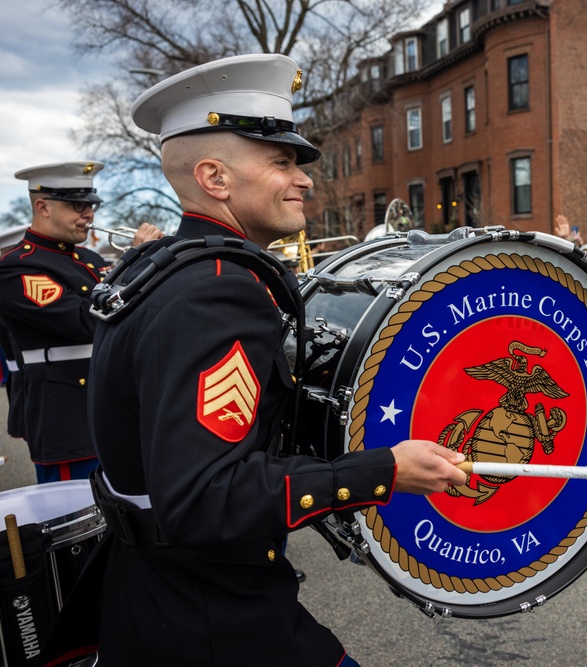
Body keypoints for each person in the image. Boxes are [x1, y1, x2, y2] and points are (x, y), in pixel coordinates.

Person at [72, 54, 468, 666]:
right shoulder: (214, 291)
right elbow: (207, 496)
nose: (304, 179)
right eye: (281, 162)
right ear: (215, 178)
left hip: (157, 598)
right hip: (211, 620)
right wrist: (382, 470)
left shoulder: (157, 269)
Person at [0, 161, 161, 483]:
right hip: (68, 419)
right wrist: (134, 265)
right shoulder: (16, 266)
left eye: (91, 205)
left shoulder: (92, 260)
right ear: (43, 206)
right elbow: (85, 321)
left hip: (117, 408)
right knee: (77, 523)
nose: (89, 214)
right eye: (78, 205)